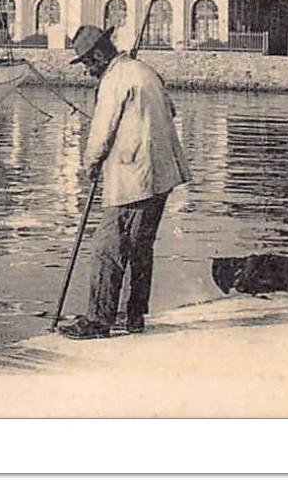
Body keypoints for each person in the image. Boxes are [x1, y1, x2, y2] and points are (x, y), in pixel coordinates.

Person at [58, 24, 191, 340]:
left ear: (101, 55)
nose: (89, 71)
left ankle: (98, 320)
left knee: (108, 248)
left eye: (89, 63)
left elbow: (102, 131)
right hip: (162, 174)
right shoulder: (143, 71)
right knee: (140, 248)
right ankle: (133, 315)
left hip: (134, 176)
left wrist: (90, 165)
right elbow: (171, 110)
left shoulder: (114, 80)